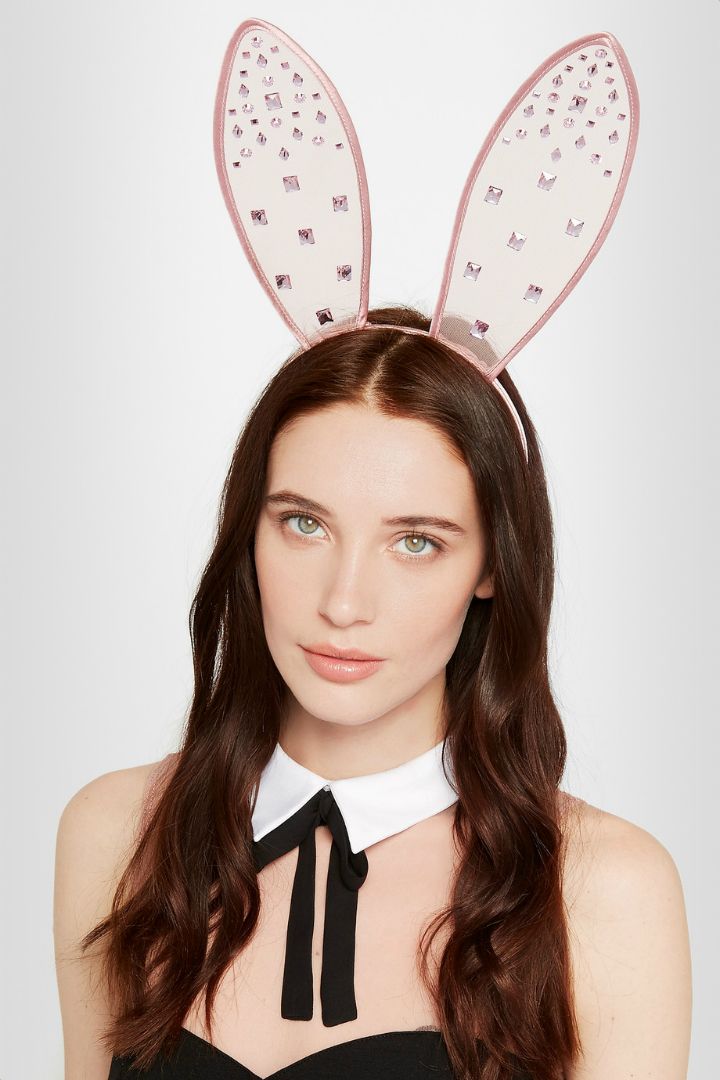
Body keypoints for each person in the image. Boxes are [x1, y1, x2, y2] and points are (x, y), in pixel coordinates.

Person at [53, 20, 692, 1080]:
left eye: (416, 542)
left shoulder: (600, 893)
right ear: (249, 529)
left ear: (494, 567)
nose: (343, 600)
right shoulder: (116, 835)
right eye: (303, 523)